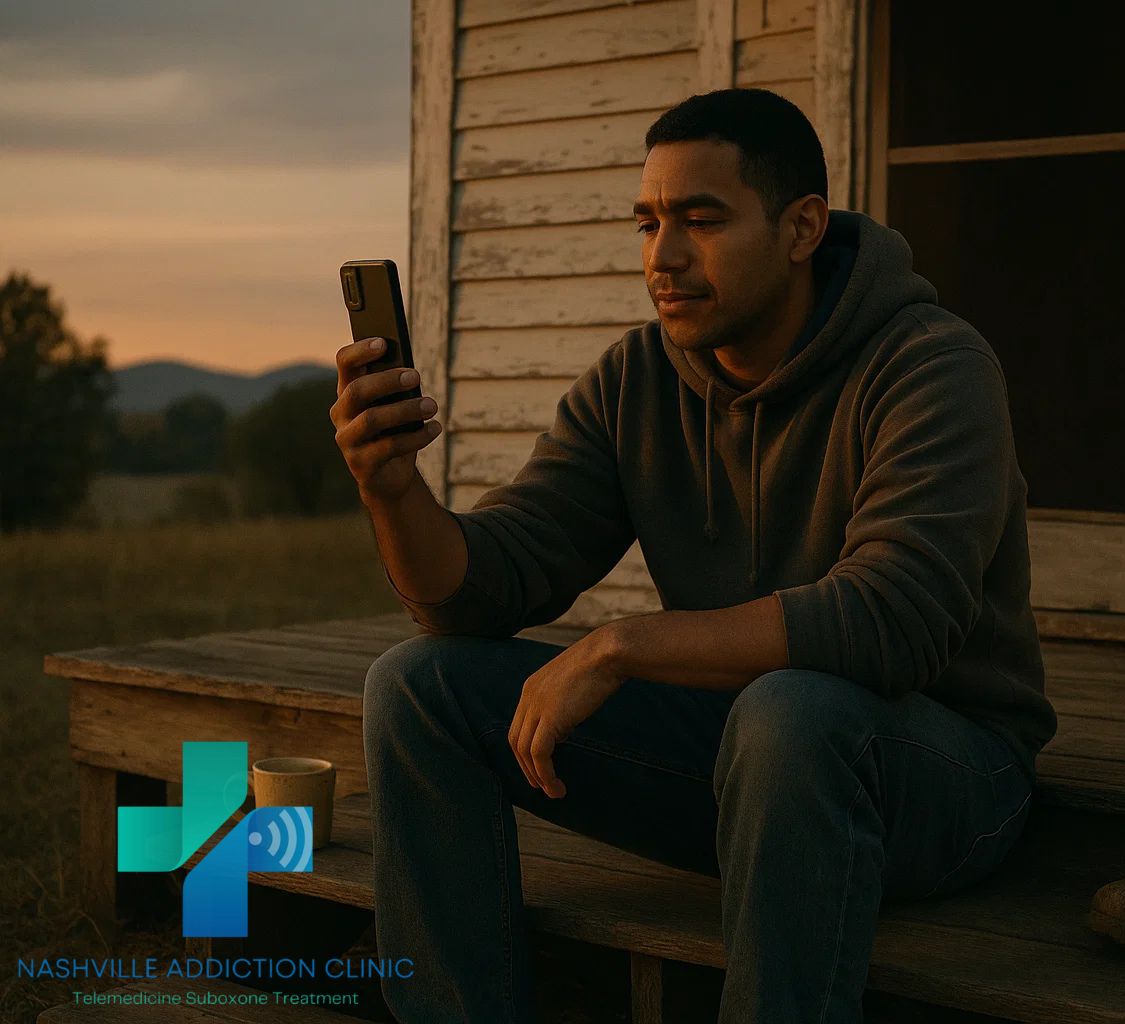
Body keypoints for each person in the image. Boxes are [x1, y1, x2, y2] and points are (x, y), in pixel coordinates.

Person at [332, 87, 1058, 1023]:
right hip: (741, 761)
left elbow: (892, 623)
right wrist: (390, 491)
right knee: (415, 682)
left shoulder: (931, 365)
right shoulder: (636, 379)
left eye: (701, 220)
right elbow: (475, 591)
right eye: (647, 224)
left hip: (944, 777)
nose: (663, 258)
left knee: (791, 712)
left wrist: (618, 645)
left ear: (802, 228)